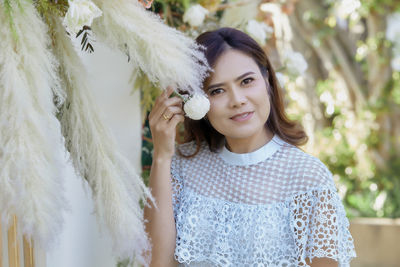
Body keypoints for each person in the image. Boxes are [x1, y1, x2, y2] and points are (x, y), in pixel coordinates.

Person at [143, 27, 356, 267]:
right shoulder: (182, 167)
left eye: (247, 81)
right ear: (198, 102)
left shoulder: (307, 178)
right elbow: (157, 263)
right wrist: (162, 156)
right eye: (217, 90)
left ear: (267, 82)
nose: (237, 100)